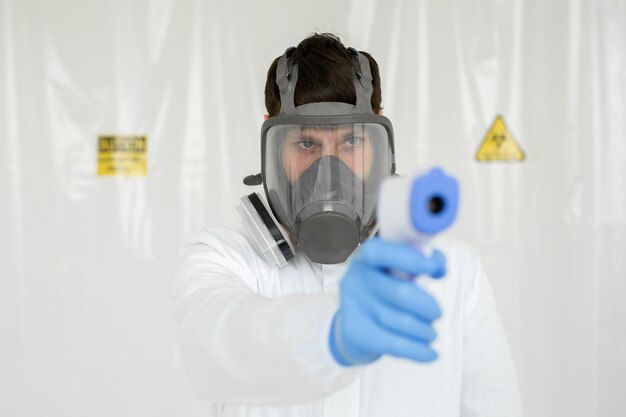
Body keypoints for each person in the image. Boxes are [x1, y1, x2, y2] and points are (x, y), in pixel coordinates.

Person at [171, 33, 522, 417]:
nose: (329, 170)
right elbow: (204, 345)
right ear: (272, 145)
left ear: (379, 144)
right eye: (306, 144)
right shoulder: (225, 260)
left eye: (351, 141)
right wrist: (329, 336)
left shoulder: (452, 271)